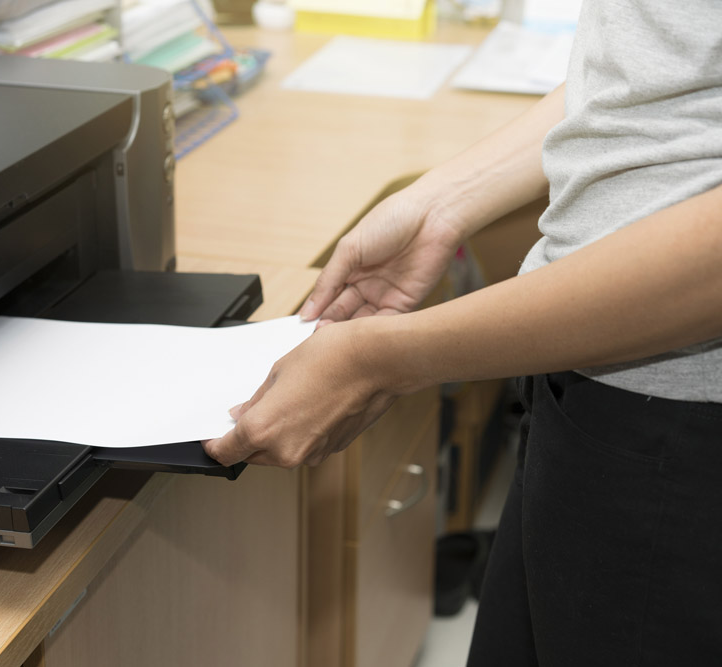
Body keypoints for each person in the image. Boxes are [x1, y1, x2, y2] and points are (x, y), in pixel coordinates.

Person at [203, 1, 722, 664]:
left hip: (681, 438)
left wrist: (385, 360)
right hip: (587, 390)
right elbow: (654, 63)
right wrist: (440, 205)